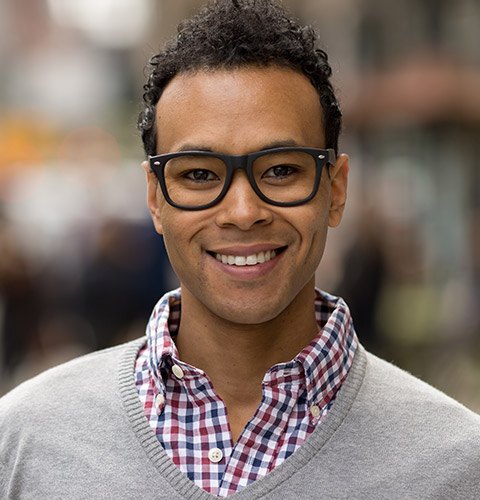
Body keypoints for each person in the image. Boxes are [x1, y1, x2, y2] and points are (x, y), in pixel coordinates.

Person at [1, 1, 479, 498]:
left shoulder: (456, 465)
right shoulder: (24, 442)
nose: (243, 211)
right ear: (154, 199)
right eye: (200, 175)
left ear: (335, 191)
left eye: (280, 170)